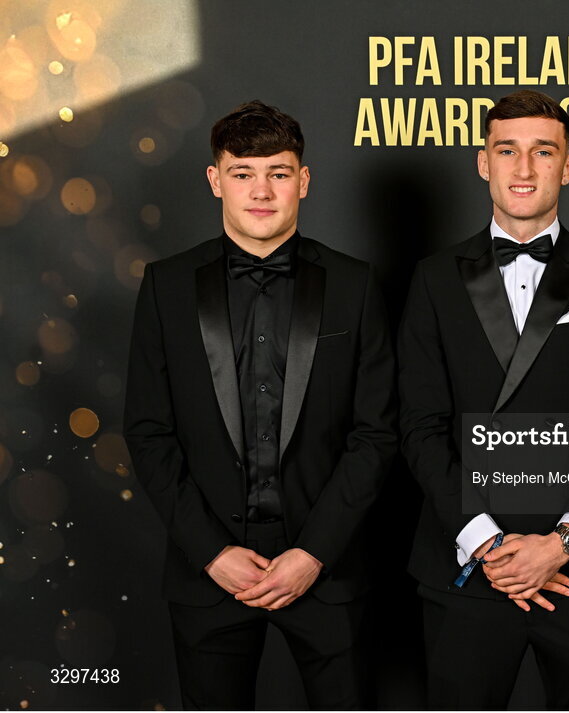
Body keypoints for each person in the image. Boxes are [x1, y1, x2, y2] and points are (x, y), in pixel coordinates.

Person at [124, 100, 396, 710]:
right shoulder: (166, 285)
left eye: (277, 171)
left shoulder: (355, 284)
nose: (262, 189)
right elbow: (147, 432)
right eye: (243, 173)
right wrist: (212, 553)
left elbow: (375, 434)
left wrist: (313, 554)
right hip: (209, 573)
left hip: (327, 571)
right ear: (215, 179)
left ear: (303, 180)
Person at [398, 89, 569, 709]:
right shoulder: (433, 279)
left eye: (544, 152)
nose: (524, 168)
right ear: (483, 162)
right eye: (506, 151)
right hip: (466, 567)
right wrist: (489, 543)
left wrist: (562, 542)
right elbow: (419, 427)